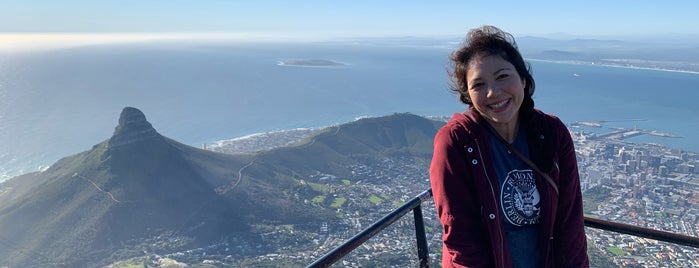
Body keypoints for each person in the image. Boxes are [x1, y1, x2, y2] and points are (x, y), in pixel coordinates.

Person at [429, 25, 589, 268]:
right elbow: (462, 239)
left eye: (503, 76)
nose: (493, 92)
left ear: (523, 80)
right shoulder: (456, 142)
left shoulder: (552, 134)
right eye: (478, 85)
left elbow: (570, 225)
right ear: (468, 95)